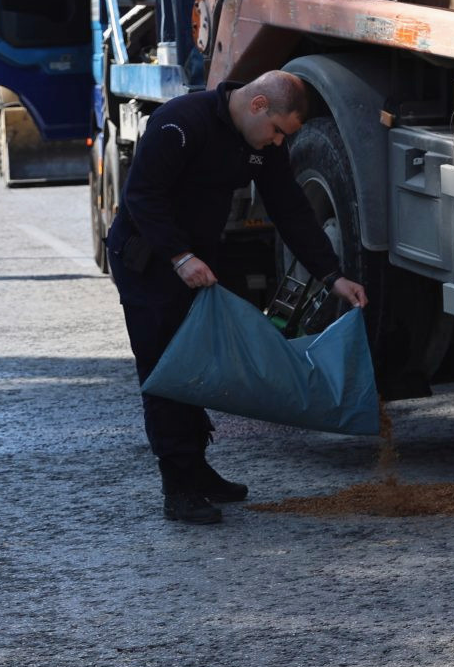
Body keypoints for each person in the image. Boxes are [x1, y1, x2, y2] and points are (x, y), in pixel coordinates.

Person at [105, 70, 368, 525]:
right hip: (149, 259)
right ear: (258, 104)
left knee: (197, 364)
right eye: (278, 131)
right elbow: (142, 196)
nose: (278, 143)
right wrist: (180, 256)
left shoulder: (260, 143)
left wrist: (332, 276)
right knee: (165, 371)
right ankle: (178, 487)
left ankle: (197, 471)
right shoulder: (179, 122)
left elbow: (290, 208)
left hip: (196, 263)